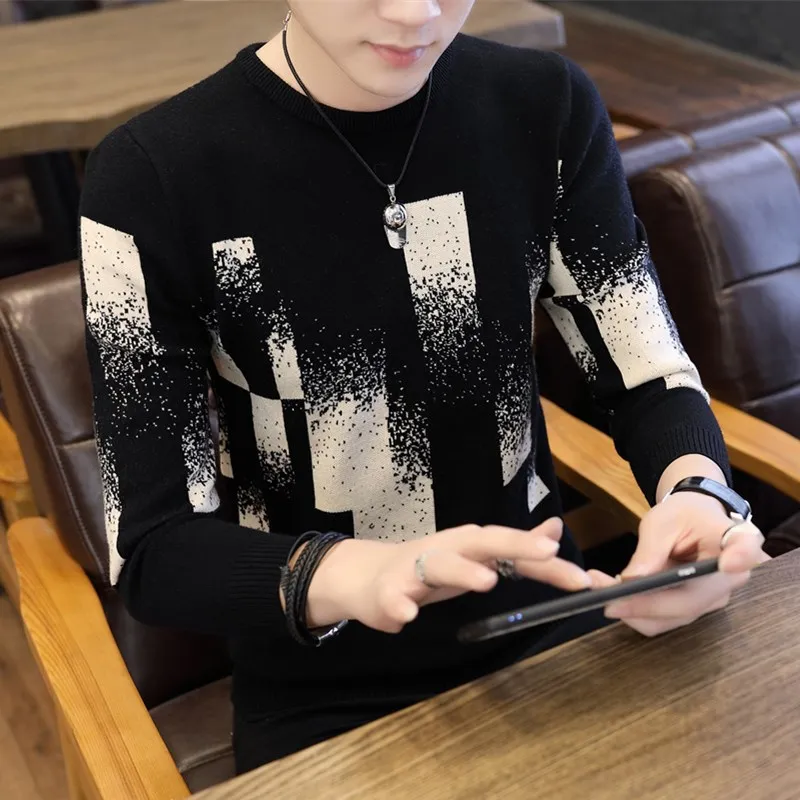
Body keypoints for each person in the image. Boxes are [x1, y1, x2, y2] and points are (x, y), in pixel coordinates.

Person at [78, 0, 768, 775]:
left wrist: (701, 497)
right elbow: (155, 549)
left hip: (552, 628)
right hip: (325, 691)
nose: (414, 12)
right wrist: (360, 573)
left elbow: (646, 376)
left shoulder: (545, 107)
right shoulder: (151, 175)